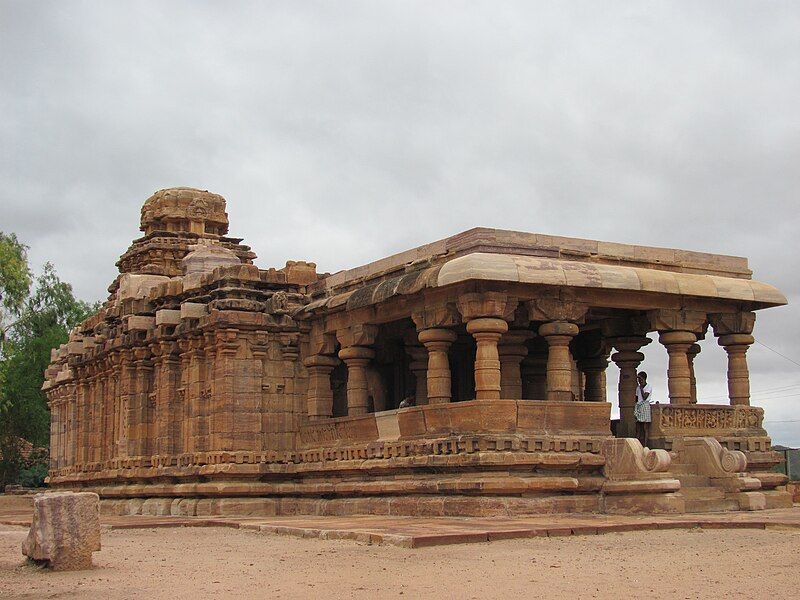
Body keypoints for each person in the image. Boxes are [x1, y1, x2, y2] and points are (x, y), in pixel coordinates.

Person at [634, 371, 653, 446]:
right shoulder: (638, 388)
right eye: (638, 379)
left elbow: (645, 397)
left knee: (645, 428)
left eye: (640, 378)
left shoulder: (648, 386)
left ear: (644, 378)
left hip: (645, 406)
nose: (639, 380)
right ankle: (637, 445)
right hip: (639, 406)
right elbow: (636, 398)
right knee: (638, 428)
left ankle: (645, 445)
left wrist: (641, 388)